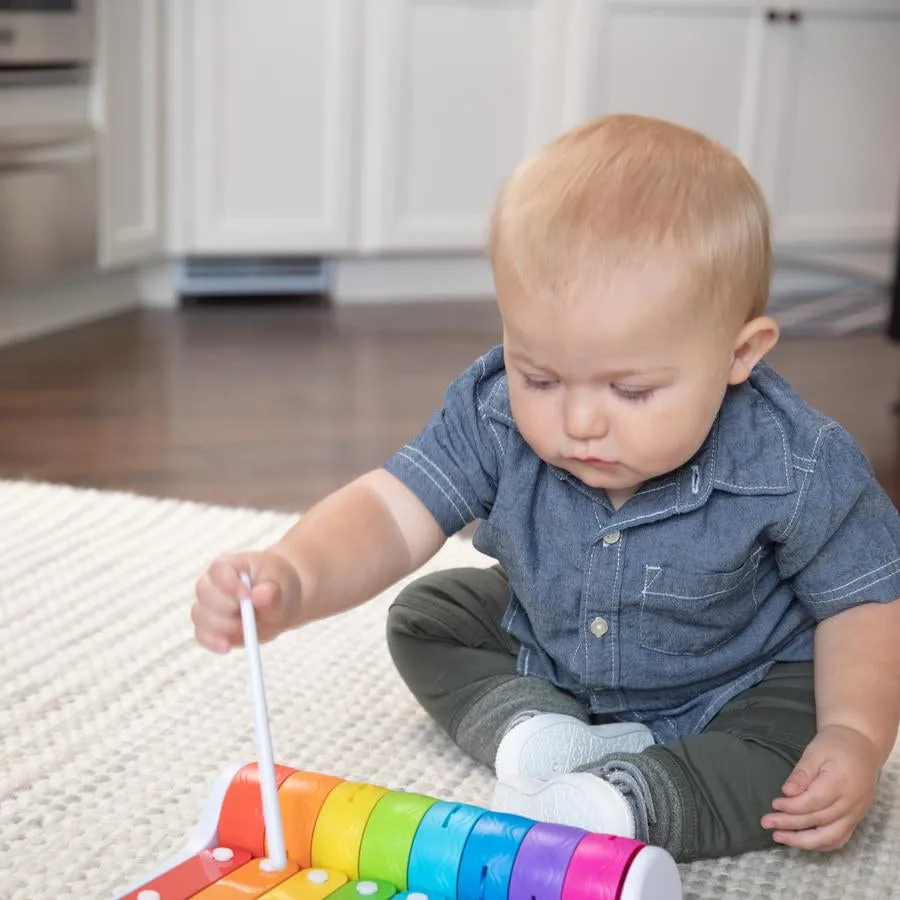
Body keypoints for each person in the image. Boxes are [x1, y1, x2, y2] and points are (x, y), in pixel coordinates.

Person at [191, 114, 900, 863]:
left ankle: (627, 802)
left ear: (739, 354)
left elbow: (864, 601)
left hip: (740, 683)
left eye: (629, 390)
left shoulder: (796, 463)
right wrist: (295, 574)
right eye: (541, 376)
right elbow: (392, 509)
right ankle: (537, 730)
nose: (578, 422)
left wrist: (855, 732)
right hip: (557, 651)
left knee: (795, 760)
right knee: (426, 617)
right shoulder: (496, 413)